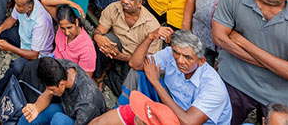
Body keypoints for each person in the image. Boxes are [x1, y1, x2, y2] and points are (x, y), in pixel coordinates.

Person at [94, 29, 231, 125]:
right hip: (171, 105)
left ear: (201, 61)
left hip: (188, 120)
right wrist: (150, 37)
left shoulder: (213, 87)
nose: (180, 60)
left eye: (188, 57)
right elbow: (135, 63)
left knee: (150, 76)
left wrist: (155, 81)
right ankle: (123, 112)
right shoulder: (171, 54)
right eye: (177, 53)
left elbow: (188, 122)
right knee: (139, 73)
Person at [0, 0, 55, 106]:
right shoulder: (23, 4)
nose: (15, 7)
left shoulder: (41, 23)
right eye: (15, 4)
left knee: (17, 67)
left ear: (29, 7)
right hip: (24, 37)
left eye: (18, 6)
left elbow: (34, 55)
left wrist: (8, 47)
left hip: (37, 54)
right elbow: (12, 20)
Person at [93, 0, 162, 96]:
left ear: (139, 3)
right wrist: (97, 37)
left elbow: (149, 59)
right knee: (104, 40)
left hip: (133, 58)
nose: (125, 1)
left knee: (123, 92)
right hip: (115, 47)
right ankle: (99, 76)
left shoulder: (152, 25)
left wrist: (120, 56)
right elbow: (99, 30)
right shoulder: (113, 8)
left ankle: (110, 70)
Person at [19, 56, 107, 125]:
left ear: (61, 84)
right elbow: (47, 93)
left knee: (58, 120)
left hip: (82, 121)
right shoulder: (59, 67)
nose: (50, 92)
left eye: (52, 90)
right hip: (67, 107)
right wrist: (36, 107)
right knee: (29, 117)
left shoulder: (87, 104)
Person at [51, 3, 97, 75]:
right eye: (63, 28)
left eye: (70, 27)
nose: (67, 33)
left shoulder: (87, 48)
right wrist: (70, 3)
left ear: (76, 22)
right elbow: (44, 1)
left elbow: (84, 78)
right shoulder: (62, 25)